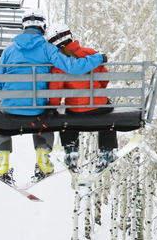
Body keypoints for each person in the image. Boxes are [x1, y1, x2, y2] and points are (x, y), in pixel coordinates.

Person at [0, 9, 107, 183]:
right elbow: (74, 68)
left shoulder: (9, 50)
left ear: (23, 26)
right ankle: (43, 161)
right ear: (43, 27)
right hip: (37, 107)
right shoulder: (48, 49)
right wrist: (97, 59)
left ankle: (0, 162)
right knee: (44, 112)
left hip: (11, 106)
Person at [45, 22, 118, 174]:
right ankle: (107, 150)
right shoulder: (91, 54)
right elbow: (104, 79)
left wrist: (52, 107)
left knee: (65, 114)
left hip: (75, 109)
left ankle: (71, 150)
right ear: (70, 35)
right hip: (98, 107)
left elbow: (56, 92)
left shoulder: (59, 63)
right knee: (108, 110)